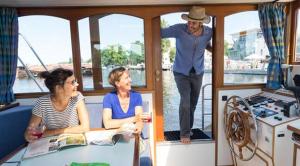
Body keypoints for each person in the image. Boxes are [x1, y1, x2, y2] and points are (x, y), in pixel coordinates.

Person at [161, 6, 212, 144]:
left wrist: (213, 50)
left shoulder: (209, 32)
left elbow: (207, 44)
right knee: (185, 101)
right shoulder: (179, 29)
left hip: (198, 72)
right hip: (180, 72)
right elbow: (159, 32)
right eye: (189, 21)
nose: (190, 25)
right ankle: (184, 133)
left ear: (201, 23)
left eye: (194, 23)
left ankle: (188, 128)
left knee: (193, 104)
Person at [24, 68, 90, 142]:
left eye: (75, 81)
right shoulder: (42, 102)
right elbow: (29, 132)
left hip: (73, 141)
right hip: (50, 143)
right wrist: (29, 135)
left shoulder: (78, 97)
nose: (77, 84)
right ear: (59, 88)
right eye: (72, 82)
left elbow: (85, 127)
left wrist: (50, 132)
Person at [102, 67, 143, 134]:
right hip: (117, 134)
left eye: (129, 77)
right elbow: (107, 124)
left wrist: (139, 127)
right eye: (127, 78)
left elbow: (139, 119)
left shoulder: (136, 96)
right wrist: (133, 119)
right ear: (117, 83)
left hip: (133, 133)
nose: (131, 80)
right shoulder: (108, 98)